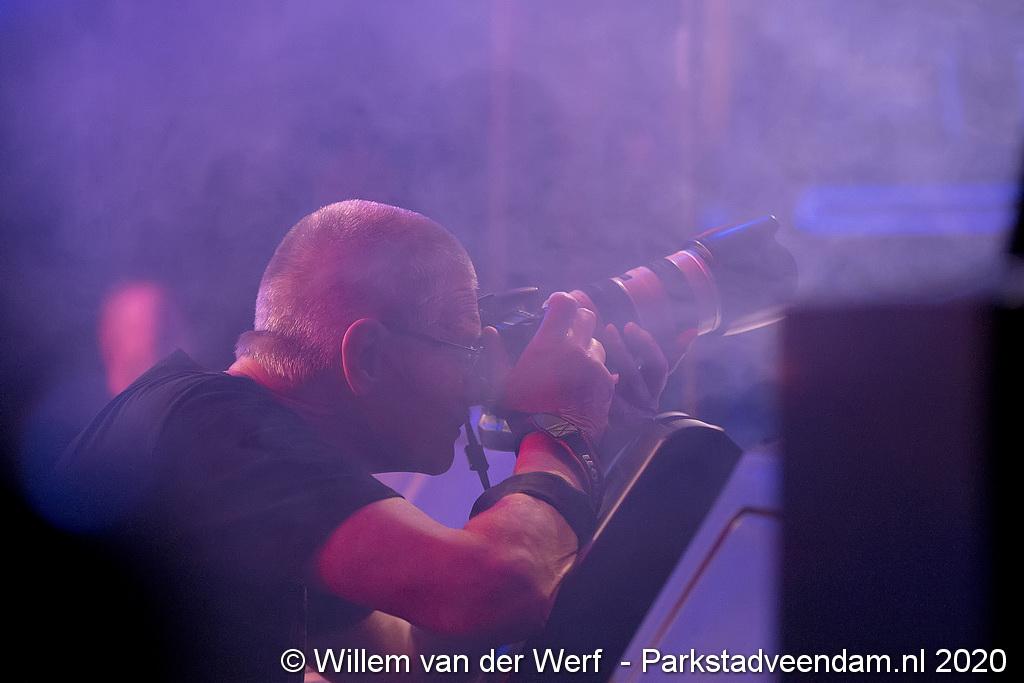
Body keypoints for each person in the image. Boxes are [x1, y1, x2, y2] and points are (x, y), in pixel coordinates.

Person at [54, 200, 676, 682]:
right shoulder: (214, 428)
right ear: (369, 356)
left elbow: (405, 661)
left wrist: (599, 449)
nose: (479, 379)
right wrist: (561, 427)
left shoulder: (242, 452)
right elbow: (489, 591)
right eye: (465, 348)